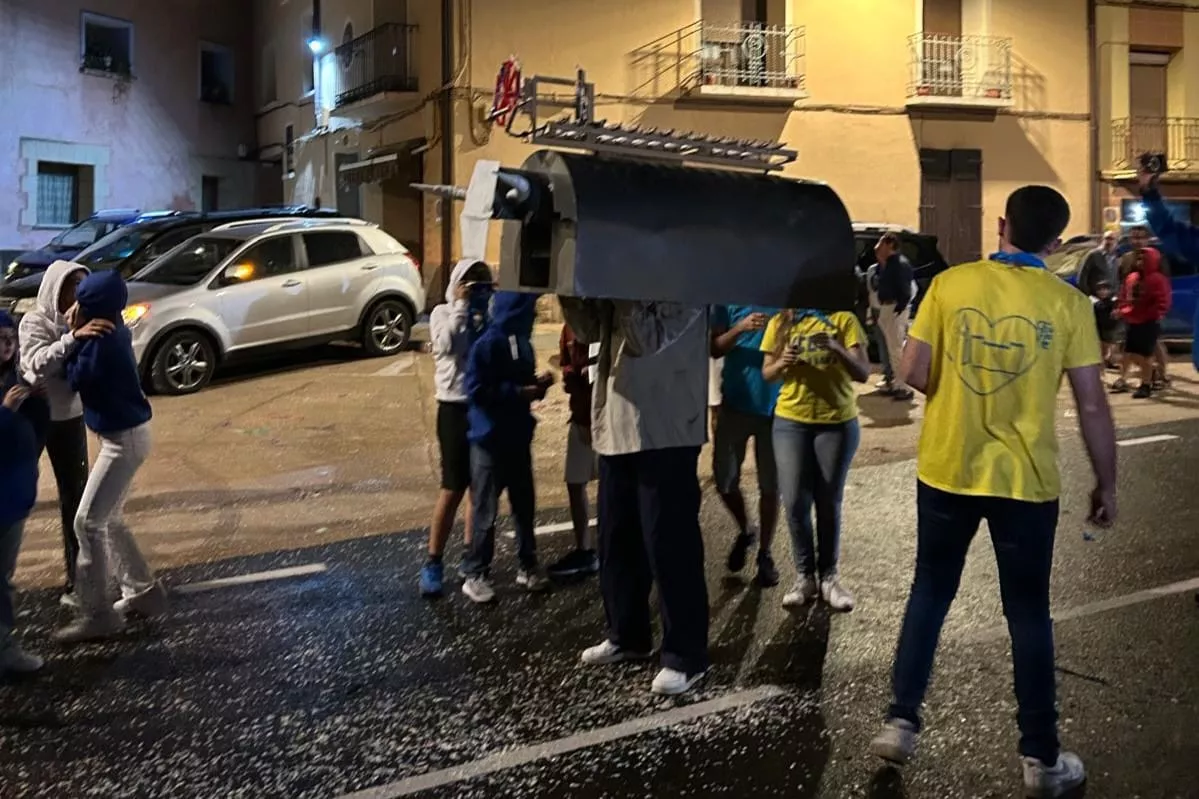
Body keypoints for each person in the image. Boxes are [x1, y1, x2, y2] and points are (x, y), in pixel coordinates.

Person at [869, 186, 1117, 798]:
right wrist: (1106, 481)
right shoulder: (1068, 303)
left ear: (1002, 225)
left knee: (930, 591)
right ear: (1054, 243)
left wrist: (960, 394)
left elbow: (913, 371)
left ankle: (901, 721)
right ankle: (1040, 759)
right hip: (1026, 483)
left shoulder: (951, 287)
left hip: (948, 468)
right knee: (1028, 612)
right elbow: (1092, 402)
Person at [562, 297, 710, 696]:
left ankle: (685, 654)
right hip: (615, 424)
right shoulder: (623, 278)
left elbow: (647, 338)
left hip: (666, 428)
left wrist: (620, 288)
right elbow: (590, 331)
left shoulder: (689, 281)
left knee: (668, 544)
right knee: (617, 539)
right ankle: (627, 634)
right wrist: (570, 292)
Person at [56, 270, 167, 643]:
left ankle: (97, 613)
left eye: (80, 302)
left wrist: (69, 337)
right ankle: (142, 592)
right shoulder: (115, 329)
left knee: (87, 523)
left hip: (123, 442)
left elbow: (73, 378)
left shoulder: (101, 340)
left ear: (91, 308)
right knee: (110, 519)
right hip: (126, 437)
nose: (74, 307)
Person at [760, 307, 870, 611]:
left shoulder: (844, 319)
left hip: (836, 422)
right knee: (795, 500)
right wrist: (783, 361)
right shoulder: (782, 321)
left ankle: (829, 577)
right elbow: (767, 373)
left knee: (828, 500)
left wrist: (836, 347)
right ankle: (804, 576)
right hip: (790, 421)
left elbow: (862, 372)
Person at [459, 291, 554, 603]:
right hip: (489, 440)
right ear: (515, 312)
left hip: (516, 437)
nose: (535, 317)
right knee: (486, 509)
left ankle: (527, 565)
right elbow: (476, 391)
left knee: (524, 506)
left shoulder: (521, 343)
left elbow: (520, 384)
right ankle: (475, 572)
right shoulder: (487, 344)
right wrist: (519, 392)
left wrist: (537, 386)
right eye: (530, 310)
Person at [18, 260, 100, 606]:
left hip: (70, 418)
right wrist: (71, 338)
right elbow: (36, 368)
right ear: (56, 288)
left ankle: (78, 582)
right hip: (33, 418)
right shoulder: (34, 321)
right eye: (72, 287)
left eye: (83, 287)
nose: (77, 294)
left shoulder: (86, 321)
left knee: (75, 500)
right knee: (14, 495)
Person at [419, 259, 491, 596]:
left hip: (479, 407)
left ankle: (470, 557)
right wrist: (461, 305)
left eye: (481, 281)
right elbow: (449, 345)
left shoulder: (485, 317)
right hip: (452, 407)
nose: (475, 287)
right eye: (469, 281)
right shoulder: (441, 313)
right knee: (452, 487)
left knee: (478, 488)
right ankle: (434, 560)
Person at [710, 306, 782, 587]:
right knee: (724, 480)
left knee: (770, 486)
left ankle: (765, 553)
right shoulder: (726, 298)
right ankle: (746, 529)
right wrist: (739, 328)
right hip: (735, 406)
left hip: (775, 409)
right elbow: (714, 349)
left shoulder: (782, 298)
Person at [1, 311, 50, 675]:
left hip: (14, 498)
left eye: (9, 339)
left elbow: (32, 440)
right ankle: (5, 651)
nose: (6, 345)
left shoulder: (16, 382)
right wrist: (6, 413)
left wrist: (37, 403)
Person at [547, 322, 600, 580]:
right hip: (581, 417)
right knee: (575, 481)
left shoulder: (606, 321)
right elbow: (567, 364)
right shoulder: (570, 328)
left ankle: (622, 546)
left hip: (606, 420)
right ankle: (585, 550)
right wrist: (570, 378)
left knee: (617, 484)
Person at [1115, 247, 1170, 399]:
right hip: (1132, 321)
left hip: (1148, 322)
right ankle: (1151, 374)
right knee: (1129, 352)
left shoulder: (1157, 279)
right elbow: (1124, 297)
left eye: (1143, 259)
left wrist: (1152, 314)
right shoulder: (1132, 277)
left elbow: (1162, 302)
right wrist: (1122, 310)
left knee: (1146, 354)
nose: (1140, 262)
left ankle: (1145, 384)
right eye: (1138, 259)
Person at [872, 233, 915, 401]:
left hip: (894, 308)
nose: (878, 247)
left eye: (882, 243)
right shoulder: (889, 263)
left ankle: (903, 386)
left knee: (896, 349)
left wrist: (898, 309)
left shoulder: (899, 264)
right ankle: (897, 383)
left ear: (890, 245)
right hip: (887, 308)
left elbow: (906, 291)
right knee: (892, 348)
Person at [863, 261, 894, 393]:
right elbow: (870, 291)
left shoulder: (899, 268)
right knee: (882, 345)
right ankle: (888, 376)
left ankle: (897, 379)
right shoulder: (872, 269)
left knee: (893, 346)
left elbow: (911, 289)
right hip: (877, 310)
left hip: (892, 311)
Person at [1077, 229, 1119, 298]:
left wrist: (1115, 294)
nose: (1109, 242)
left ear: (1116, 242)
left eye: (1112, 239)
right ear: (1102, 240)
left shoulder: (1115, 257)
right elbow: (1082, 277)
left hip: (1109, 300)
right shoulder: (1093, 255)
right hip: (1094, 298)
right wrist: (1089, 295)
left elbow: (1115, 278)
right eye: (1107, 238)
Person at [1090, 280, 1120, 369]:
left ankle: (1108, 362)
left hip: (1111, 328)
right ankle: (1101, 365)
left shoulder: (1113, 301)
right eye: (1100, 289)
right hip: (1099, 329)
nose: (1102, 291)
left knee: (1111, 347)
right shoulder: (1094, 302)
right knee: (1102, 348)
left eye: (1105, 289)